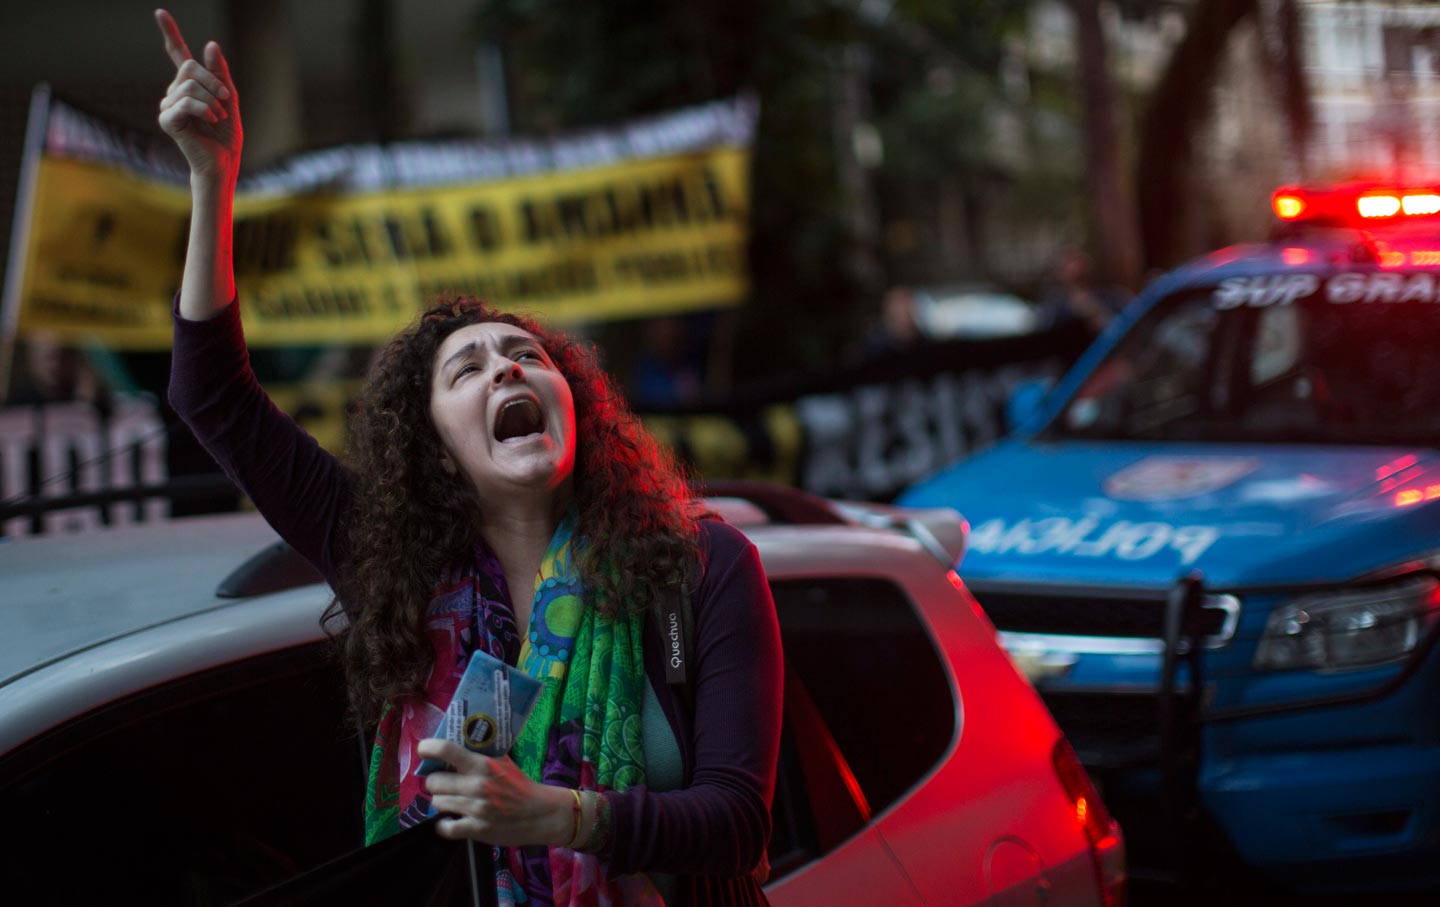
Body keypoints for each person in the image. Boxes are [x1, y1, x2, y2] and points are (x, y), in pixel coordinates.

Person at [152, 10, 783, 905]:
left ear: (575, 402)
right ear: (437, 448)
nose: (506, 368)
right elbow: (211, 395)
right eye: (468, 369)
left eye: (527, 357)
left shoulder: (702, 568)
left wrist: (561, 815)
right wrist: (212, 181)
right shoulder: (394, 568)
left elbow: (737, 821)